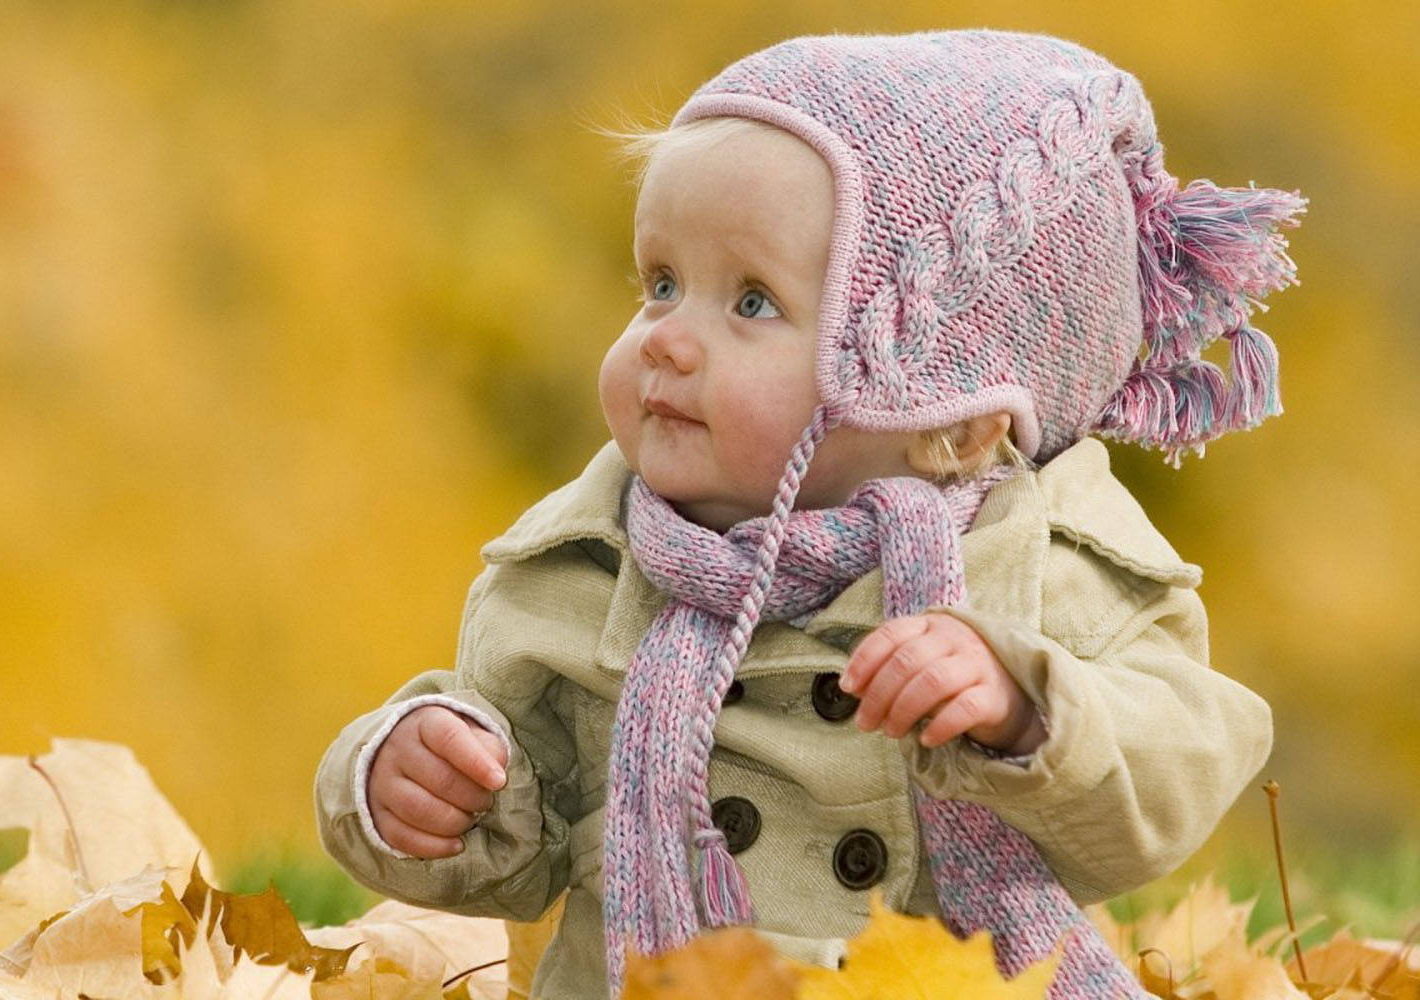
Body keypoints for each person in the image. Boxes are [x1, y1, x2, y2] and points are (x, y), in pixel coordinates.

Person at [315, 29, 1305, 999]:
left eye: (751, 303)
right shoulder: (580, 566)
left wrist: (1024, 707)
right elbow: (514, 853)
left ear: (940, 404)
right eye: (660, 284)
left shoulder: (1039, 565)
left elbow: (1175, 767)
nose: (666, 339)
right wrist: (412, 783)